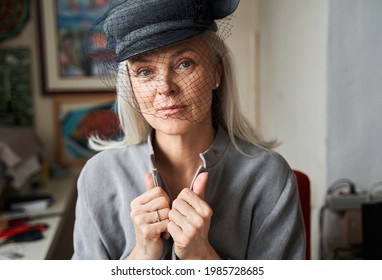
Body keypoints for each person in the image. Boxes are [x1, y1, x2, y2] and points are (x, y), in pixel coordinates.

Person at [72, 0, 306, 260]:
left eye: (184, 64)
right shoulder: (98, 177)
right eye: (145, 71)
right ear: (131, 87)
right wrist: (142, 255)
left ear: (216, 72)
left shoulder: (268, 177)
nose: (165, 87)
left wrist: (200, 255)